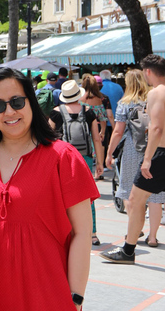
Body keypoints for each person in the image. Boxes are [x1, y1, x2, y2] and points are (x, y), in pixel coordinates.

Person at [0, 68, 98, 310]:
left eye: (17, 101)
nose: (9, 111)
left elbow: (82, 233)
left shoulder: (63, 157)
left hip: (46, 294)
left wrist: (76, 296)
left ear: (31, 102)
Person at [101, 55, 165, 263]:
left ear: (148, 72)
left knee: (135, 200)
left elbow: (157, 128)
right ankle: (129, 250)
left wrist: (148, 158)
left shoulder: (156, 93)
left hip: (162, 154)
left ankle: (128, 250)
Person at [48, 80, 103, 245]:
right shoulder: (89, 112)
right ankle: (92, 233)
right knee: (87, 196)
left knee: (62, 195)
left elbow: (48, 138)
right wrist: (99, 162)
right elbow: (96, 139)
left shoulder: (56, 113)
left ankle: (66, 230)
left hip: (62, 158)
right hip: (84, 157)